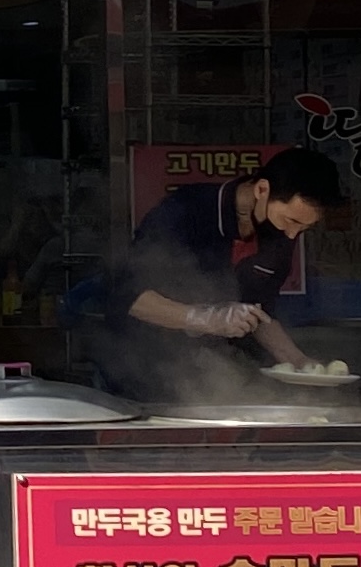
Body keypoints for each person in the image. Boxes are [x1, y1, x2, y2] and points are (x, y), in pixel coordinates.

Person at [89, 146, 345, 404]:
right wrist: (204, 318)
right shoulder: (188, 209)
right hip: (135, 368)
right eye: (292, 221)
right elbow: (128, 296)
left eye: (304, 227)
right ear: (262, 190)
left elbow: (260, 312)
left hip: (205, 375)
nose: (292, 234)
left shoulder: (280, 235)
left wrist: (298, 362)